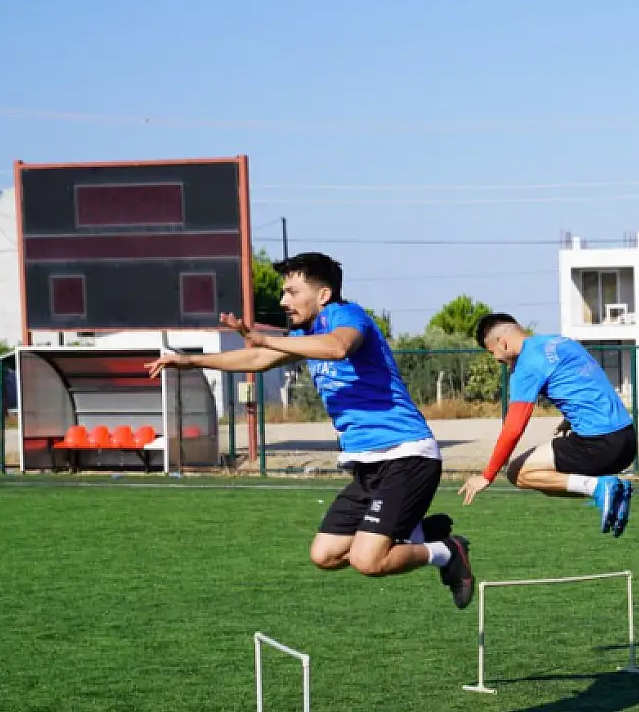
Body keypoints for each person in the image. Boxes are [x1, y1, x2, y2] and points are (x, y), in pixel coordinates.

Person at [147, 252, 475, 606]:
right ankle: (420, 530)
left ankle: (447, 551)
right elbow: (257, 359)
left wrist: (263, 338)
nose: (284, 300)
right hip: (367, 465)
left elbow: (337, 348)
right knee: (326, 555)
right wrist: (190, 360)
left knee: (368, 560)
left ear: (323, 295)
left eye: (292, 291)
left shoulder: (347, 316)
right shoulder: (306, 333)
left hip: (406, 455)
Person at [458, 314, 636, 535]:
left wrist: (487, 476)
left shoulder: (526, 366)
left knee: (518, 472)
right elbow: (589, 381)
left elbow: (513, 429)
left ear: (502, 343)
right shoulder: (560, 342)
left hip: (598, 444)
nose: (497, 360)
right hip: (627, 439)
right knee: (556, 481)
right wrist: (570, 419)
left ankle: (600, 487)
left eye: (493, 352)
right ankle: (610, 491)